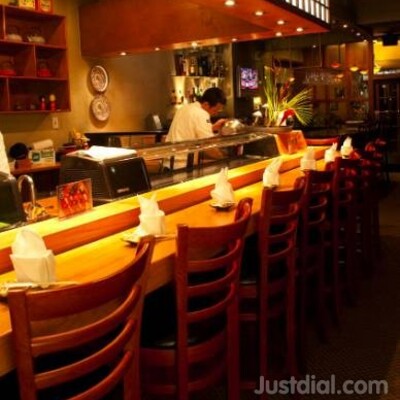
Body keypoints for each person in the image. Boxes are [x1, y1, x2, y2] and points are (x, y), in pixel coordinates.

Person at [165, 87, 228, 169]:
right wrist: (224, 159)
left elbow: (190, 130)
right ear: (206, 104)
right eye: (215, 110)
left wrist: (212, 128)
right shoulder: (201, 114)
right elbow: (208, 146)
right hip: (182, 165)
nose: (216, 113)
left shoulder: (185, 108)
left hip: (168, 163)